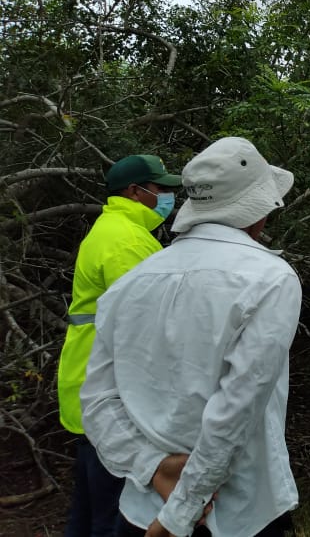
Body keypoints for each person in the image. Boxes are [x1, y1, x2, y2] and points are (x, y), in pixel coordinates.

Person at [80, 137, 299, 537]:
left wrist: (153, 467)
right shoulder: (270, 278)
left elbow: (96, 402)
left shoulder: (131, 282)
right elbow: (237, 409)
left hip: (144, 508)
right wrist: (182, 510)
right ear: (260, 210)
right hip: (239, 513)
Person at [58, 153, 181, 537]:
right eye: (160, 188)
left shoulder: (114, 229)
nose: (168, 197)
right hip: (110, 393)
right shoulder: (126, 241)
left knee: (88, 509)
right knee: (111, 516)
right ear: (135, 191)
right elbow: (147, 324)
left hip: (91, 384)